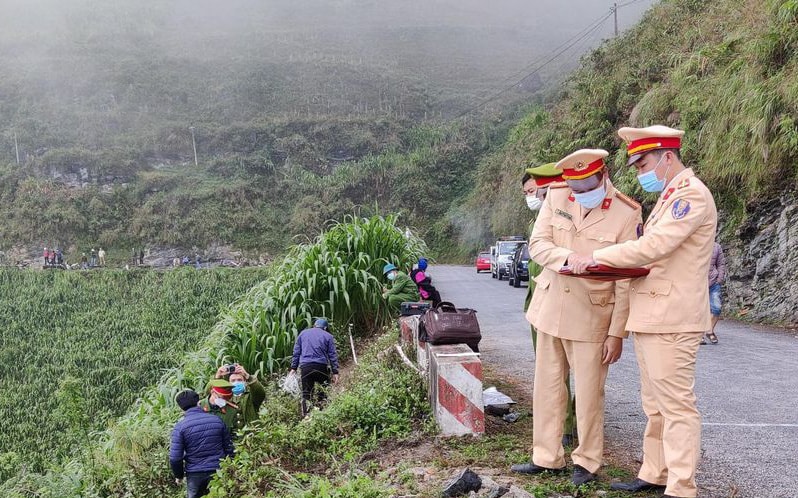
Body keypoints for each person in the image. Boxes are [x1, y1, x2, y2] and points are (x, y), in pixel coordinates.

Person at [567, 126, 717, 498]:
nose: (639, 173)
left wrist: (596, 257)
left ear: (667, 157)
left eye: (643, 164)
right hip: (653, 314)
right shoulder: (669, 195)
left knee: (677, 406)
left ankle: (681, 487)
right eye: (635, 167)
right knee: (654, 403)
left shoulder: (690, 196)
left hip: (672, 315)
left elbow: (653, 246)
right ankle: (656, 471)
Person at [511, 149, 642, 487]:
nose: (581, 195)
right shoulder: (556, 195)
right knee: (547, 387)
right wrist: (570, 258)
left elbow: (626, 279)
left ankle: (587, 461)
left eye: (587, 187)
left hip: (593, 316)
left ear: (604, 175)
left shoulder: (627, 213)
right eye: (575, 188)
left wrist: (618, 333)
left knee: (588, 394)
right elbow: (538, 244)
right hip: (550, 307)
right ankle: (546, 456)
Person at [522, 162, 578, 446]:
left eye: (535, 190)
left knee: (579, 370)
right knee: (550, 374)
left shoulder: (573, 215)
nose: (532, 196)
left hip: (572, 302)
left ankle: (572, 425)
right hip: (542, 304)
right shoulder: (538, 222)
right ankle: (558, 430)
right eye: (529, 192)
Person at [170, 389, 234, 498]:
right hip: (218, 470)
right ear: (198, 402)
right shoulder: (216, 420)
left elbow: (175, 458)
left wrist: (179, 476)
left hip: (194, 474)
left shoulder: (180, 427)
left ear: (181, 408)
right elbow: (228, 447)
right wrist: (232, 466)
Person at [290, 318, 340, 417]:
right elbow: (332, 355)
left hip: (306, 367)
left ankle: (306, 416)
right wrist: (335, 372)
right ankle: (322, 414)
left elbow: (296, 352)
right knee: (323, 391)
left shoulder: (303, 334)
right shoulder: (328, 336)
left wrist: (293, 368)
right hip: (321, 367)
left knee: (306, 393)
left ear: (314, 325)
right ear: (325, 328)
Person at [213, 363, 266, 429]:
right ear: (229, 383)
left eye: (239, 380)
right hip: (231, 436)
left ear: (245, 382)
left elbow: (260, 392)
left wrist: (247, 375)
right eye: (233, 381)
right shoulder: (224, 397)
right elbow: (213, 395)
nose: (236, 382)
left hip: (251, 435)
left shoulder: (251, 396)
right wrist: (218, 376)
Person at [704, 241, 725, 345]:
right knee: (698, 310)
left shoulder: (716, 247)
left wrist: (719, 279)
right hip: (697, 283)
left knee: (717, 307)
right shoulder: (694, 243)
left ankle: (709, 331)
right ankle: (698, 335)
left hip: (713, 282)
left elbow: (721, 264)